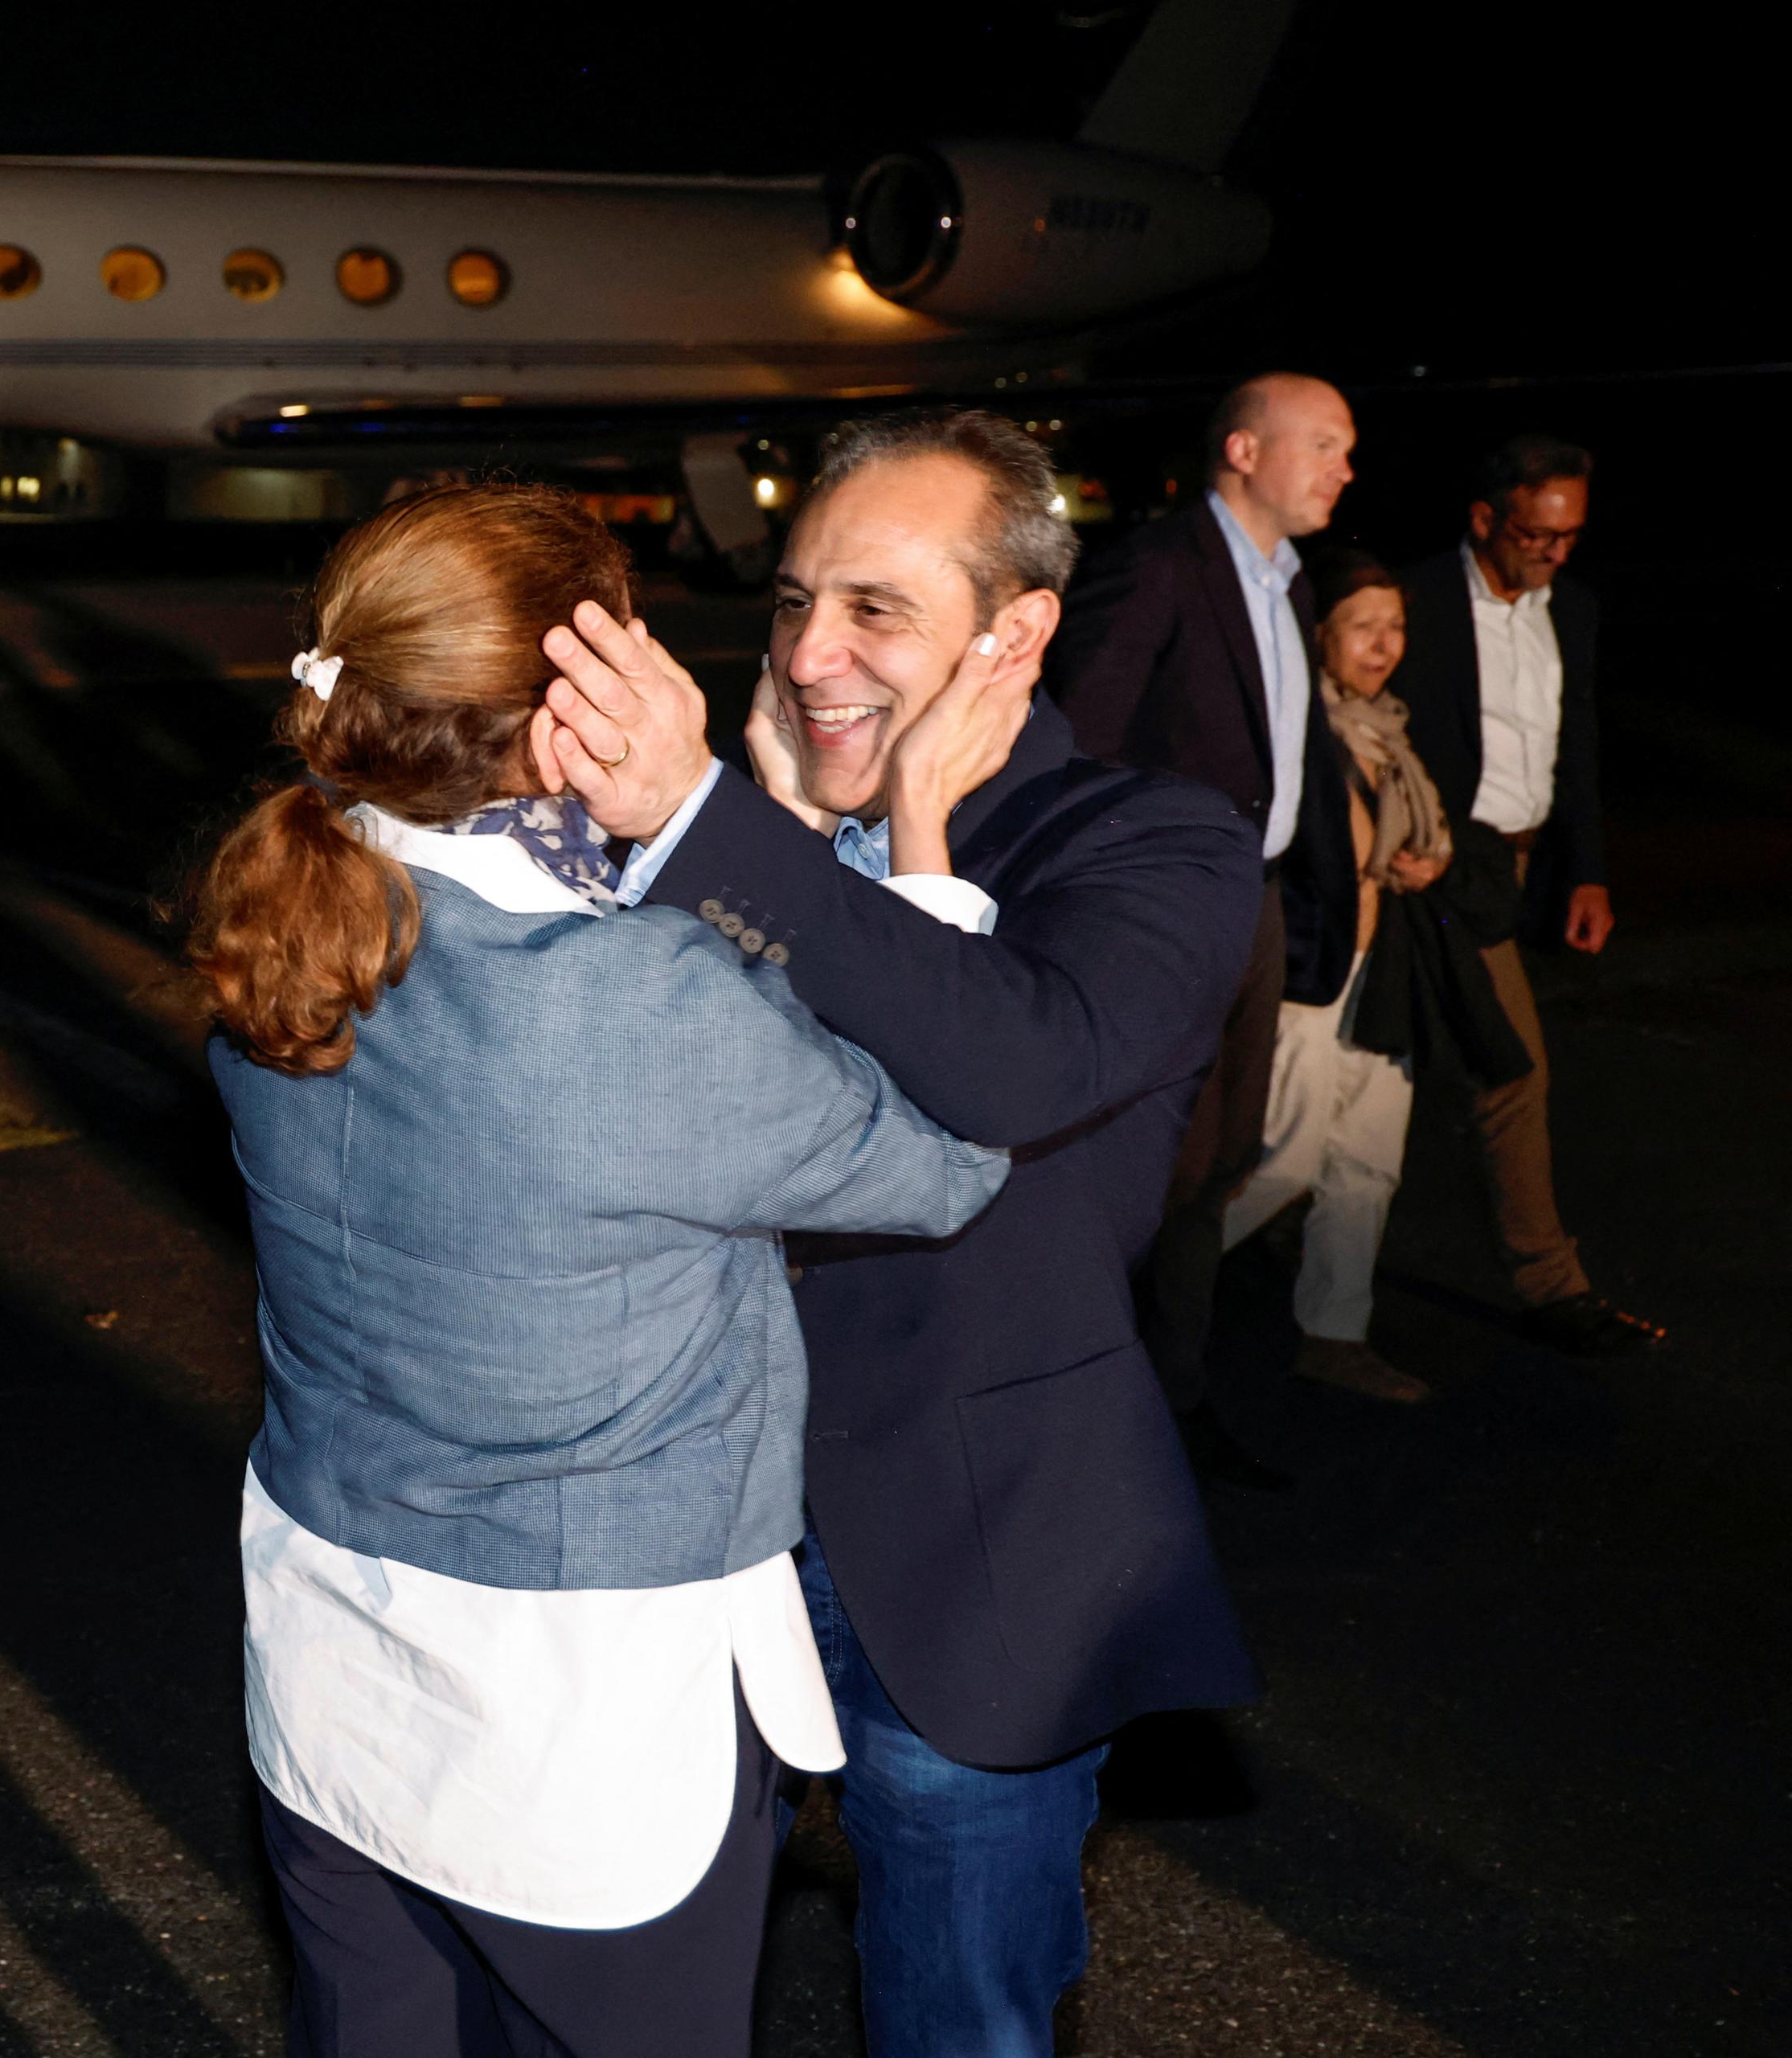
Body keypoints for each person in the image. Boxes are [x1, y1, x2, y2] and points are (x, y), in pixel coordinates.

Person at [193, 484, 1010, 2056]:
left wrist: (721, 839)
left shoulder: (289, 915)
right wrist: (906, 841)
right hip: (569, 1735)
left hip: (332, 1670)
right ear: (575, 712)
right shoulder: (639, 1004)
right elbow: (948, 1151)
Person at [535, 408, 1265, 2058]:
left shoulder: (1155, 843)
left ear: (1016, 631)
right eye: (793, 601)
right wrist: (771, 843)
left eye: (876, 608)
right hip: (691, 1540)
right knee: (637, 1998)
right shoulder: (754, 851)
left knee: (959, 2023)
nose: (809, 653)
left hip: (971, 1558)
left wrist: (739, 835)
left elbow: (1002, 1067)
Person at [1043, 371, 1363, 1490]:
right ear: (1242, 449)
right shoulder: (1161, 564)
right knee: (1147, 1160)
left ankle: (1170, 1403)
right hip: (1165, 908)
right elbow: (1081, 741)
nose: (1343, 468)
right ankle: (1091, 1406)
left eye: (1346, 450)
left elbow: (1291, 753)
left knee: (1221, 1158)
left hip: (1254, 898)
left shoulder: (1288, 582)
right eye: (1322, 445)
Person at [1383, 435, 1662, 1357]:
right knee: (1507, 1068)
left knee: (1395, 1074)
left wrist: (1587, 870)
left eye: (1572, 535)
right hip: (1429, 867)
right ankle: (1553, 1286)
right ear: (1485, 519)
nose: (1556, 552)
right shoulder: (1415, 601)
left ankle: (1262, 1233)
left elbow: (1573, 744)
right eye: (1539, 535)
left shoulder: (1568, 609)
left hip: (1518, 867)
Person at [1228, 549, 1458, 1403]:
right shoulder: (1299, 732)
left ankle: (1334, 1334)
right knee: (1281, 1162)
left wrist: (1424, 864)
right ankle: (1129, 1304)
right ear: (1319, 633)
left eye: (1394, 626)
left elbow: (1416, 839)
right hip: (1309, 976)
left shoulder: (1385, 728)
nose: (1383, 643)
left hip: (1382, 970)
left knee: (1368, 1160)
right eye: (1363, 625)